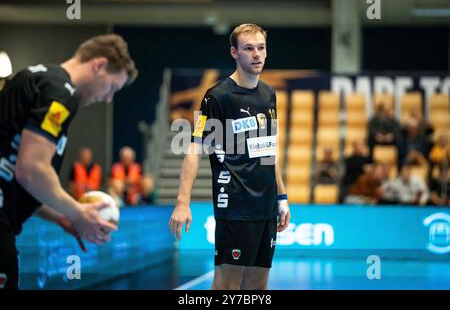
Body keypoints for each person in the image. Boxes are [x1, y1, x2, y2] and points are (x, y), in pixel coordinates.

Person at [0, 34, 138, 289]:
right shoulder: (60, 93)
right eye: (111, 88)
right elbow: (31, 170)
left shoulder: (39, 79)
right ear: (99, 65)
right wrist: (78, 211)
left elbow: (15, 175)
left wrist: (63, 216)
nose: (108, 98)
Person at [169, 23, 290, 290]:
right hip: (235, 205)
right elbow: (194, 148)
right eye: (248, 48)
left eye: (261, 48)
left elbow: (269, 150)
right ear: (234, 52)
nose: (256, 54)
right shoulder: (217, 97)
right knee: (227, 285)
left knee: (258, 286)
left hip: (266, 207)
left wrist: (281, 198)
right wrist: (182, 201)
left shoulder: (269, 95)